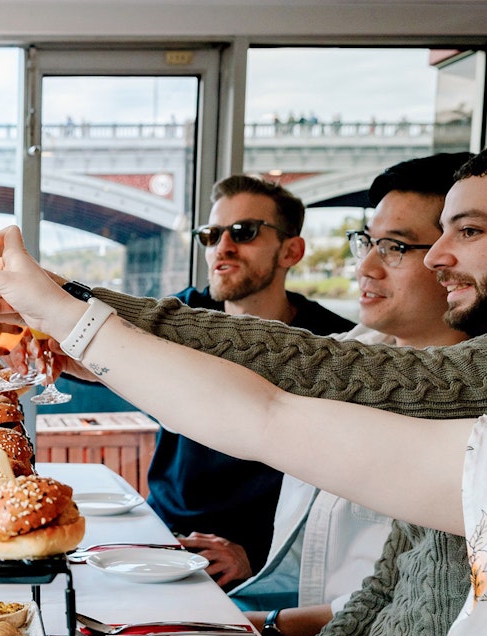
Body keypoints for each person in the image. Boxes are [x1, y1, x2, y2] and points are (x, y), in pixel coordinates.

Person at [0, 225, 481, 636]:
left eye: (471, 230)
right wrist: (74, 311)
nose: (438, 255)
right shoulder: (375, 350)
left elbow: (270, 410)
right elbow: (383, 592)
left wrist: (74, 312)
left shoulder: (442, 384)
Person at [228, 153, 472, 636]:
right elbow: (238, 373)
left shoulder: (466, 415)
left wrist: (263, 625)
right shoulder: (347, 352)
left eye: (395, 247)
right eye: (367, 242)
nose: (365, 267)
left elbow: (397, 595)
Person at [149, 175, 353, 588]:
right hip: (158, 535)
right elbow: (107, 341)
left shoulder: (333, 345)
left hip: (253, 568)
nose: (222, 247)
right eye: (211, 235)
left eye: (243, 232)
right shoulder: (184, 314)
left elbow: (341, 484)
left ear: (291, 251)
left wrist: (257, 556)